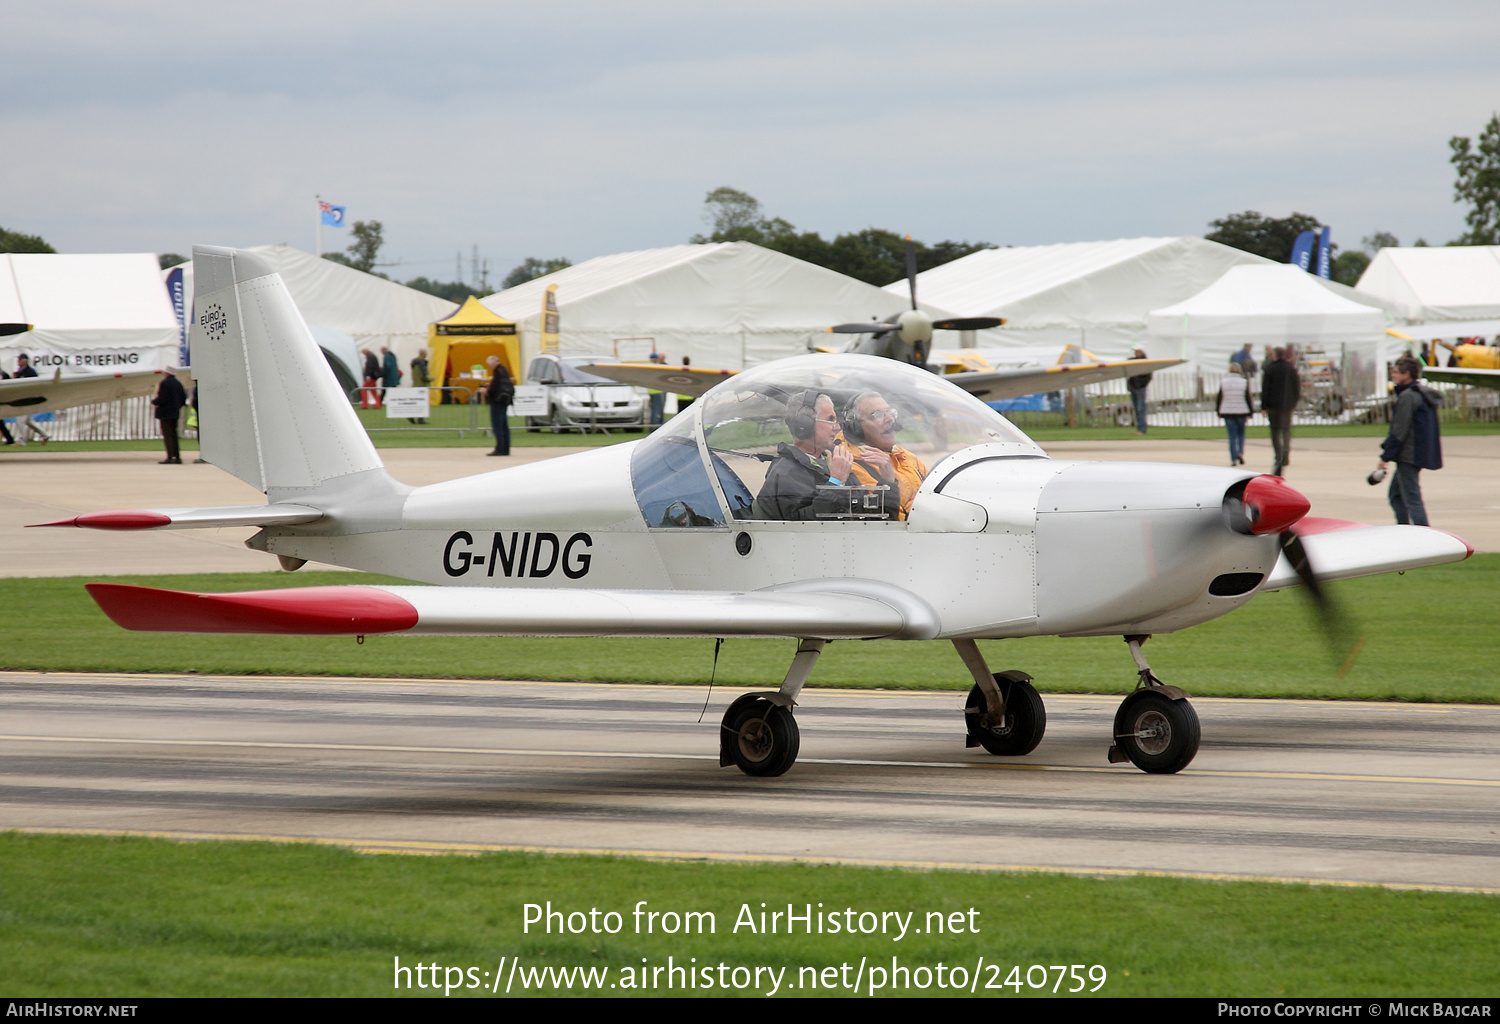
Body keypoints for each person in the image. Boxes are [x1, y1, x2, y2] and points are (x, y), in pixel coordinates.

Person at [752, 391, 856, 521]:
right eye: (830, 420)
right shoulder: (786, 473)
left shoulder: (831, 460)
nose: (837, 427)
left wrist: (887, 480)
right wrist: (836, 483)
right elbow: (804, 525)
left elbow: (860, 505)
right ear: (805, 425)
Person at [1377, 356, 1443, 527]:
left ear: (1407, 374)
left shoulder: (1408, 396)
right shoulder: (1420, 394)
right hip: (1416, 453)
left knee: (1412, 499)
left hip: (1409, 455)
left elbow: (1399, 430)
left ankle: (1424, 534)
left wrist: (1385, 457)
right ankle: (1404, 529)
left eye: (1395, 372)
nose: (1392, 376)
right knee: (1396, 495)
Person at [841, 389, 926, 519]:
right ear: (856, 428)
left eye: (890, 412)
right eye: (878, 415)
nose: (890, 420)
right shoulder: (850, 466)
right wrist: (887, 480)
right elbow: (890, 518)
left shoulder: (906, 456)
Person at [1261, 346, 1300, 476]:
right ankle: (1285, 452)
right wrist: (1294, 402)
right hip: (1287, 405)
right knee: (1286, 429)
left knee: (1275, 431)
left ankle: (1278, 455)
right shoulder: (1290, 369)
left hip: (1273, 405)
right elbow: (1296, 387)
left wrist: (1263, 406)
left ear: (1274, 355)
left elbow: (1265, 388)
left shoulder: (1270, 369)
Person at [1216, 362, 1254, 467]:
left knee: (1231, 435)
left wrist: (1218, 411)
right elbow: (1247, 398)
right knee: (1241, 434)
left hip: (1227, 411)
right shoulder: (1244, 382)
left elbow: (1220, 397)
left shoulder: (1224, 382)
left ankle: (1233, 459)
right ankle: (1240, 452)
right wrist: (1250, 411)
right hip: (1241, 411)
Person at [152, 369, 188, 464]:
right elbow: (183, 398)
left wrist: (154, 401)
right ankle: (177, 457)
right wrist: (177, 407)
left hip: (165, 413)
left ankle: (170, 456)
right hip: (175, 413)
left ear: (166, 374)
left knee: (168, 436)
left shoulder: (164, 383)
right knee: (174, 435)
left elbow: (162, 398)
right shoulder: (178, 383)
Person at [13, 354, 49, 443]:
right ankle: (45, 435)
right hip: (21, 398)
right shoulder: (20, 372)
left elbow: (35, 385)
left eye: (19, 360)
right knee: (29, 421)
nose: (18, 362)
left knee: (20, 421)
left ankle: (21, 441)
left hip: (27, 399)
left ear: (24, 361)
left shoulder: (30, 372)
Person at [484, 355, 513, 456]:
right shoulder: (504, 370)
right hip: (503, 401)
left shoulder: (497, 371)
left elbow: (494, 388)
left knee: (498, 426)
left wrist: (486, 390)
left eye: (489, 365)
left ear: (493, 363)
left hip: (497, 401)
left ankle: (500, 449)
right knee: (504, 425)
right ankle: (505, 448)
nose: (489, 367)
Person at [1126, 349, 1152, 434]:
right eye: (1136, 352)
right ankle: (1139, 428)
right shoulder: (1132, 361)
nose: (1136, 353)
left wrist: (1141, 384)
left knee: (1140, 408)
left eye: (1138, 352)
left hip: (1140, 388)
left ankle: (1141, 429)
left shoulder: (1146, 362)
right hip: (1133, 387)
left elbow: (1148, 376)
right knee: (1136, 409)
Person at [408, 348, 430, 424]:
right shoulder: (421, 363)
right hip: (421, 386)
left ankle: (413, 416)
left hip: (415, 384)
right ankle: (418, 419)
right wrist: (431, 379)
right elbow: (423, 375)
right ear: (423, 354)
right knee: (421, 403)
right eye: (426, 353)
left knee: (416, 402)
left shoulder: (414, 363)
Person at [647, 351, 666, 426]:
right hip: (657, 391)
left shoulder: (647, 366)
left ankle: (653, 425)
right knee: (657, 412)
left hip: (652, 391)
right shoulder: (654, 366)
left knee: (654, 410)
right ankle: (655, 427)